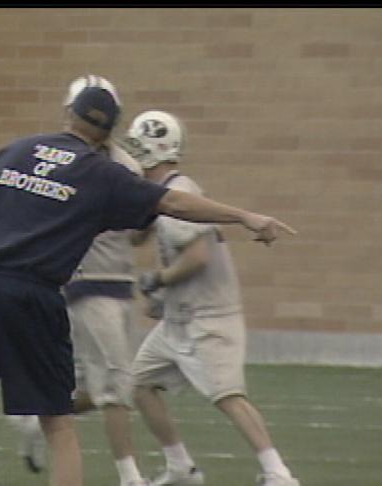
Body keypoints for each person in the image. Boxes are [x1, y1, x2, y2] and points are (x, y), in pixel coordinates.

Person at [0, 86, 296, 486]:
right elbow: (174, 204)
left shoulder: (16, 149)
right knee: (58, 423)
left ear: (67, 114)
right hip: (32, 292)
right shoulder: (101, 172)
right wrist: (246, 217)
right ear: (107, 134)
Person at [120, 110, 301, 486]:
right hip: (180, 318)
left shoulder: (180, 192)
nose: (132, 155)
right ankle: (180, 467)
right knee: (138, 383)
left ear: (155, 150)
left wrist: (157, 279)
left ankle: (278, 473)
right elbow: (140, 232)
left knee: (226, 394)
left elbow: (197, 257)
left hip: (209, 315)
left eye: (137, 148)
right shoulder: (163, 194)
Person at [7, 75, 151, 486]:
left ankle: (36, 422)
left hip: (119, 281)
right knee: (117, 386)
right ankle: (130, 475)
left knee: (93, 386)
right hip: (85, 283)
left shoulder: (125, 164)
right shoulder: (64, 162)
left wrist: (155, 210)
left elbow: (137, 234)